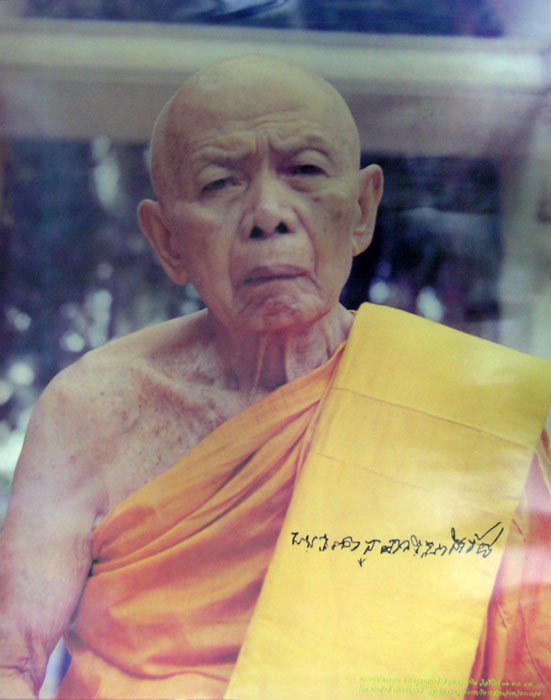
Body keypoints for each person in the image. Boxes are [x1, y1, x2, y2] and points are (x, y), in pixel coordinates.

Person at [0, 55, 549, 700]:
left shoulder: (461, 406)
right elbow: (10, 660)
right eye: (219, 183)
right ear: (167, 240)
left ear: (362, 210)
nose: (268, 214)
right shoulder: (93, 412)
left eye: (305, 171)